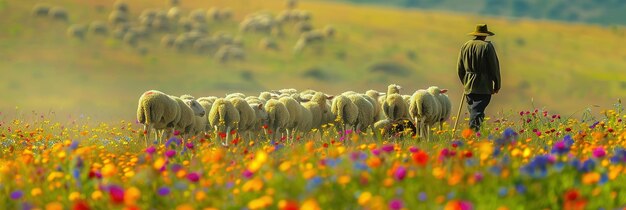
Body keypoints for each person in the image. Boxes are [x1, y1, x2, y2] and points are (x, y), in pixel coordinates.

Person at [457, 24, 501, 131]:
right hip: (484, 85)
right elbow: (494, 67)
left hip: (468, 85)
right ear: (485, 35)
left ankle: (475, 134)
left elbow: (460, 68)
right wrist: (497, 84)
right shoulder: (487, 47)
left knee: (474, 110)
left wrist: (465, 82)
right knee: (477, 111)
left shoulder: (465, 46)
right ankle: (472, 135)